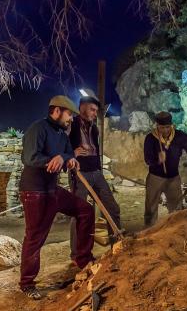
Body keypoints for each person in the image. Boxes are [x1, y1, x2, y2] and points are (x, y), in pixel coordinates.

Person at [18, 95, 95, 299]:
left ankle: (83, 260)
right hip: (35, 191)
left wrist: (67, 158)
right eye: (69, 114)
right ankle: (27, 283)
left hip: (53, 190)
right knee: (35, 237)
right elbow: (30, 157)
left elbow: (69, 153)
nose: (71, 118)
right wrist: (55, 159)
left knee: (86, 210)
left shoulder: (61, 134)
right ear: (57, 110)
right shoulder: (38, 128)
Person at [68, 91, 121, 258]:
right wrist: (71, 153)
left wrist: (99, 169)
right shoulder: (71, 124)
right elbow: (59, 146)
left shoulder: (94, 128)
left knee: (112, 208)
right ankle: (77, 254)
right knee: (79, 213)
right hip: (79, 174)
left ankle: (117, 246)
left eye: (95, 110)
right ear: (82, 107)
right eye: (91, 109)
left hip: (96, 173)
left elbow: (95, 150)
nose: (94, 113)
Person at [143, 111, 187, 226]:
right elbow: (148, 160)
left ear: (171, 125)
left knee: (176, 207)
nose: (165, 130)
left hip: (174, 177)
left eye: (167, 127)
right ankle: (149, 230)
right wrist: (158, 160)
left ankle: (175, 230)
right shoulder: (150, 138)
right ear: (157, 126)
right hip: (155, 177)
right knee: (151, 206)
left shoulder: (179, 136)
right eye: (162, 127)